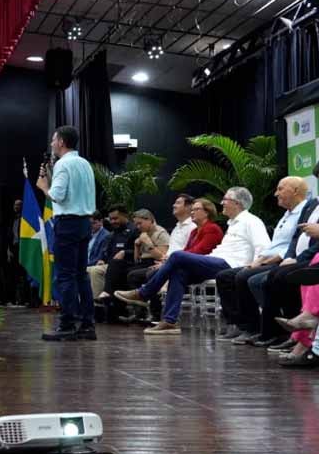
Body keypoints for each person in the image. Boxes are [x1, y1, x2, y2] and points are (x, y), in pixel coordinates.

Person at [116, 186, 270, 335]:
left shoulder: (251, 221)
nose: (222, 202)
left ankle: (144, 292)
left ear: (237, 203)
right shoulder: (233, 224)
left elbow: (263, 246)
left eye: (225, 199)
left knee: (177, 256)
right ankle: (169, 321)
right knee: (178, 272)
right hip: (216, 260)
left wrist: (253, 266)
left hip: (231, 264)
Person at [215, 177, 314, 346]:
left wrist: (281, 259)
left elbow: (292, 243)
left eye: (280, 189)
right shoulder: (286, 215)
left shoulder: (304, 211)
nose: (276, 193)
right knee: (227, 276)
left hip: (284, 260)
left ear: (296, 191)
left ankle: (269, 330)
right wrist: (260, 260)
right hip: (273, 259)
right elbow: (286, 243)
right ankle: (247, 326)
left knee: (248, 277)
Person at [35, 125, 97, 341]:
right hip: (84, 223)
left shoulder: (63, 164)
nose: (52, 144)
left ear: (61, 141)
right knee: (81, 275)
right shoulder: (84, 164)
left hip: (68, 223)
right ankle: (88, 325)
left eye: (54, 140)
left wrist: (43, 186)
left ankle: (67, 324)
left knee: (65, 275)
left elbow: (58, 196)